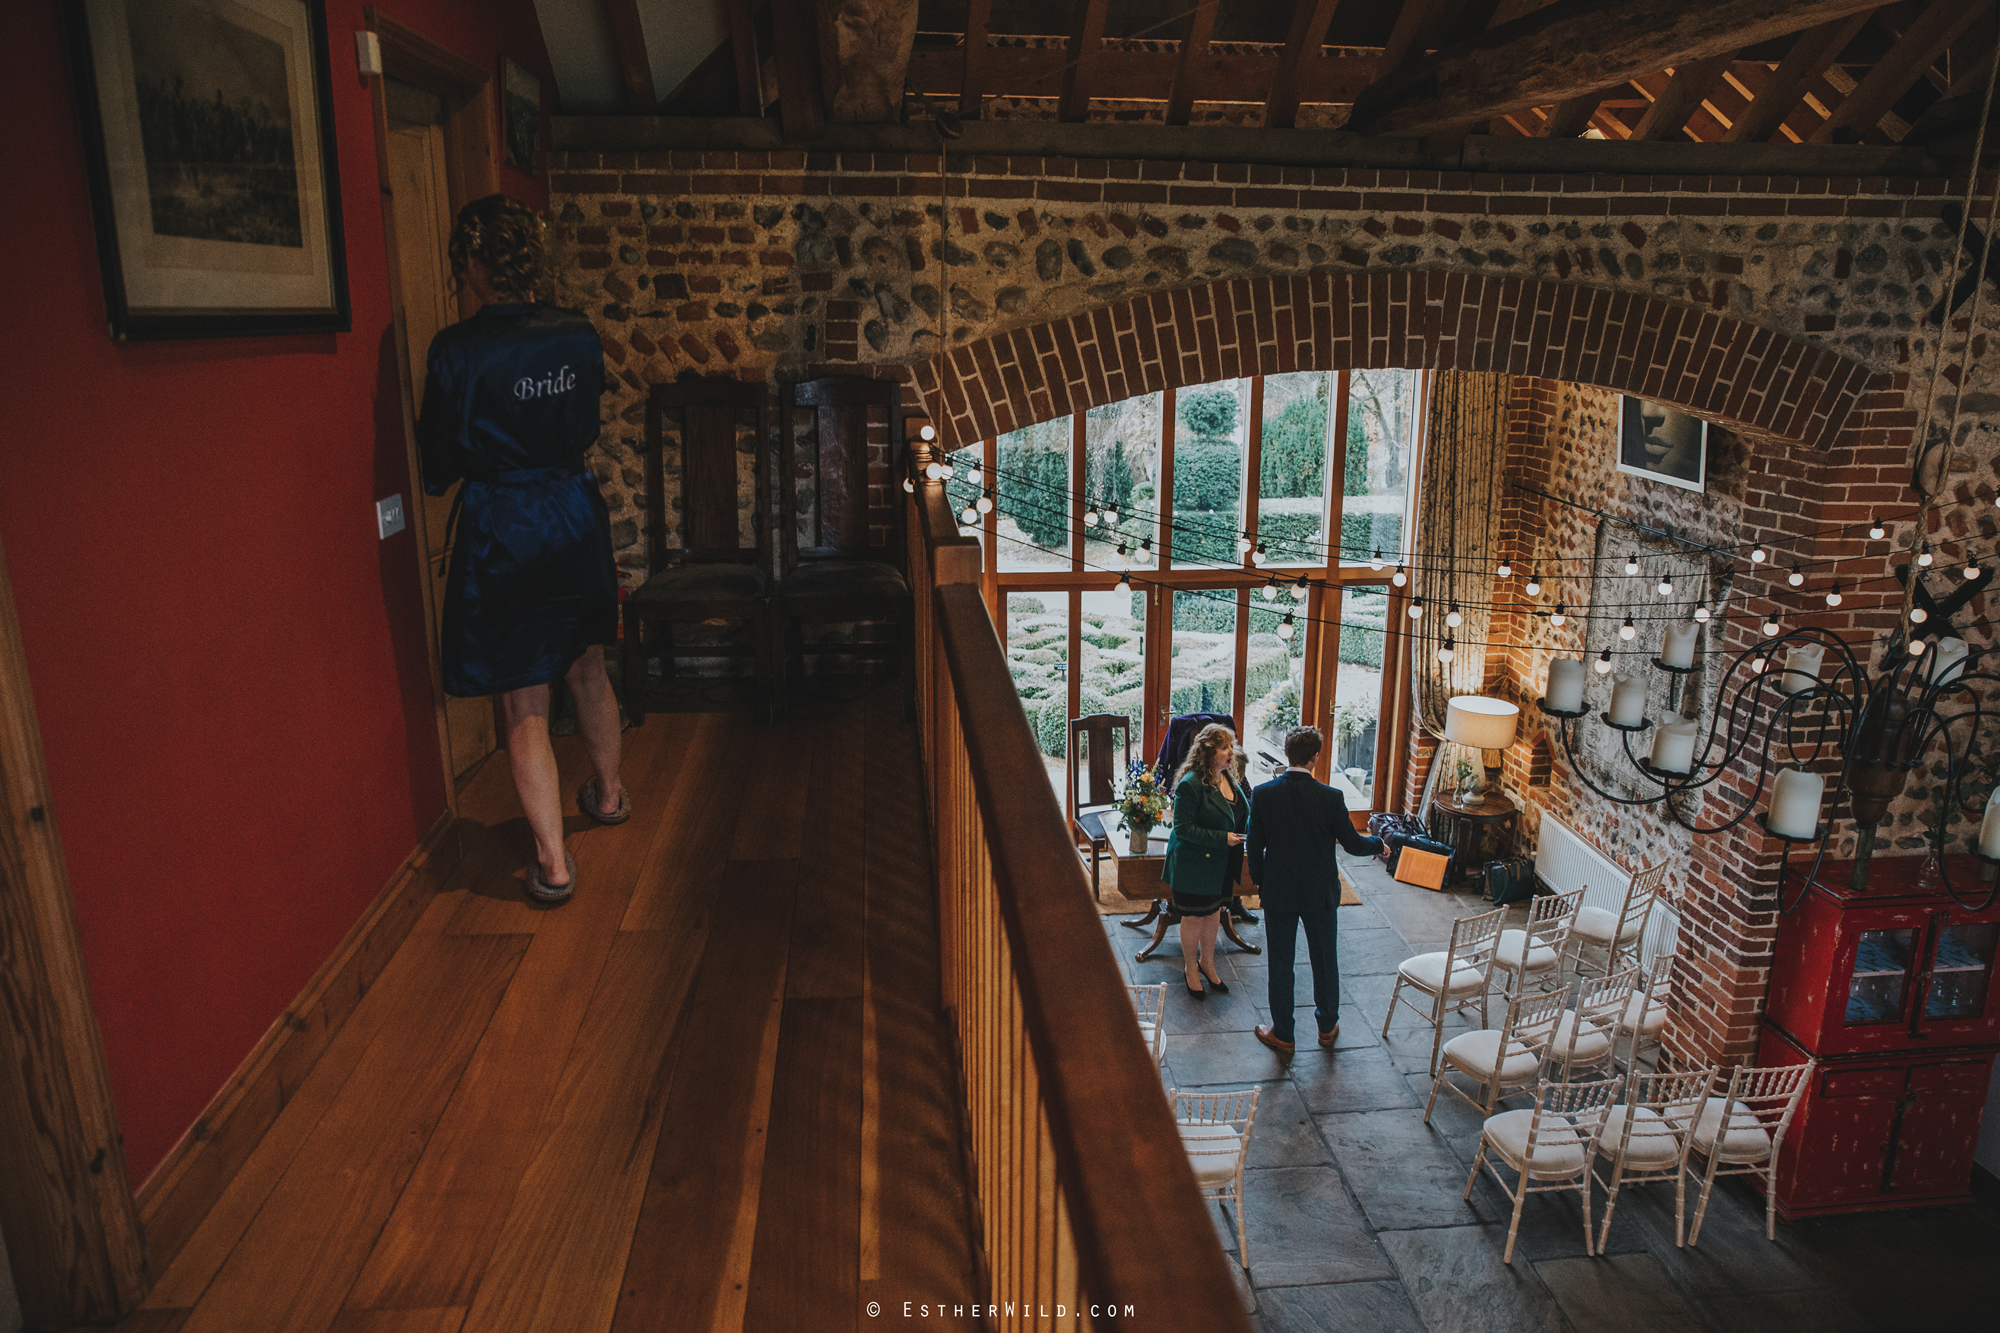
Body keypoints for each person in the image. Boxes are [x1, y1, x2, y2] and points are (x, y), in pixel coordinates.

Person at [416, 194, 626, 905]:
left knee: (522, 700)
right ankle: (609, 792)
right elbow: (586, 422)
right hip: (573, 511)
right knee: (588, 667)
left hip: (505, 525)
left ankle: (554, 863)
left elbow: (436, 464)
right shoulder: (577, 335)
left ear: (474, 263)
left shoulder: (456, 351)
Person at [1246, 726, 1389, 1055]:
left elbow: (1254, 846)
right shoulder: (1331, 797)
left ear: (1286, 752)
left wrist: (1261, 881)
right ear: (1315, 758)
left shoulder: (1264, 794)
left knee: (1281, 963)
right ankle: (1327, 1027)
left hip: (1279, 891)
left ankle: (1283, 1033)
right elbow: (1353, 844)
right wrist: (1378, 844)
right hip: (1319, 891)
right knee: (1325, 959)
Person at [1160, 723, 1249, 999]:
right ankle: (1190, 967)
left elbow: (1239, 808)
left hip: (1220, 863)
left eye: (1231, 746)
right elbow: (1183, 829)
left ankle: (1207, 963)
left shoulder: (1227, 776)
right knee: (1194, 916)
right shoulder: (1190, 785)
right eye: (1225, 748)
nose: (1231, 753)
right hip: (1195, 864)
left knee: (1214, 913)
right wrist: (1223, 838)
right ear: (1209, 752)